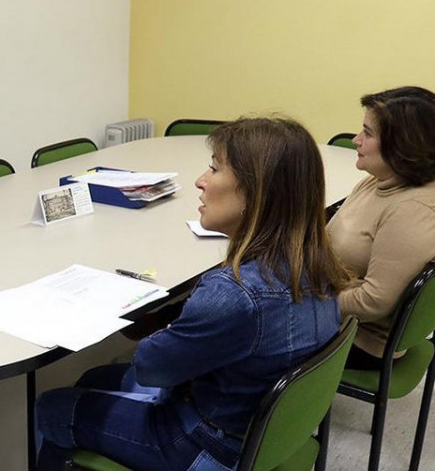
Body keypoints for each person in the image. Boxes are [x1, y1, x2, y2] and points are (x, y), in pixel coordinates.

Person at [35, 118, 350, 470]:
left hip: (206, 444)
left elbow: (150, 368)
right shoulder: (319, 264)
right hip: (254, 430)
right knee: (94, 379)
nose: (200, 181)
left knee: (50, 408)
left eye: (214, 169)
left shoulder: (236, 294)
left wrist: (169, 327)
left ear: (255, 191)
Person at [328, 86, 435, 370]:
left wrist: (303, 304)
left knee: (235, 329)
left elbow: (373, 302)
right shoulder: (378, 180)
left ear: (403, 144)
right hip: (333, 309)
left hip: (361, 340)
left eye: (368, 133)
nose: (355, 140)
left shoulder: (414, 211)